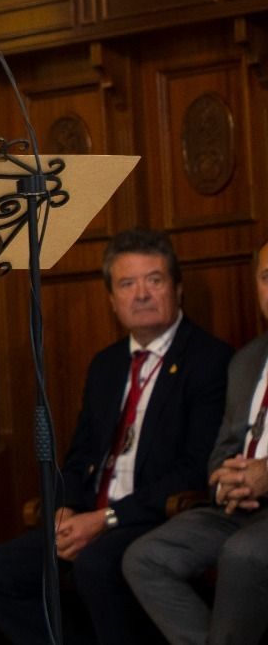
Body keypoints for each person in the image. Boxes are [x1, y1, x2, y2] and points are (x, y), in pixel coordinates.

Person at [0, 227, 231, 644]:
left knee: (94, 564)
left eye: (154, 280)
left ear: (177, 290)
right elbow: (81, 454)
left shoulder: (210, 360)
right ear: (111, 299)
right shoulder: (106, 365)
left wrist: (107, 519)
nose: (141, 294)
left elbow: (195, 468)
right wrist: (65, 507)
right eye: (127, 284)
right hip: (89, 515)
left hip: (153, 518)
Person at [123, 239, 268, 645]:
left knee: (243, 555)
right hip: (239, 505)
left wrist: (266, 474)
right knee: (145, 557)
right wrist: (224, 479)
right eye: (267, 277)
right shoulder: (247, 360)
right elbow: (224, 445)